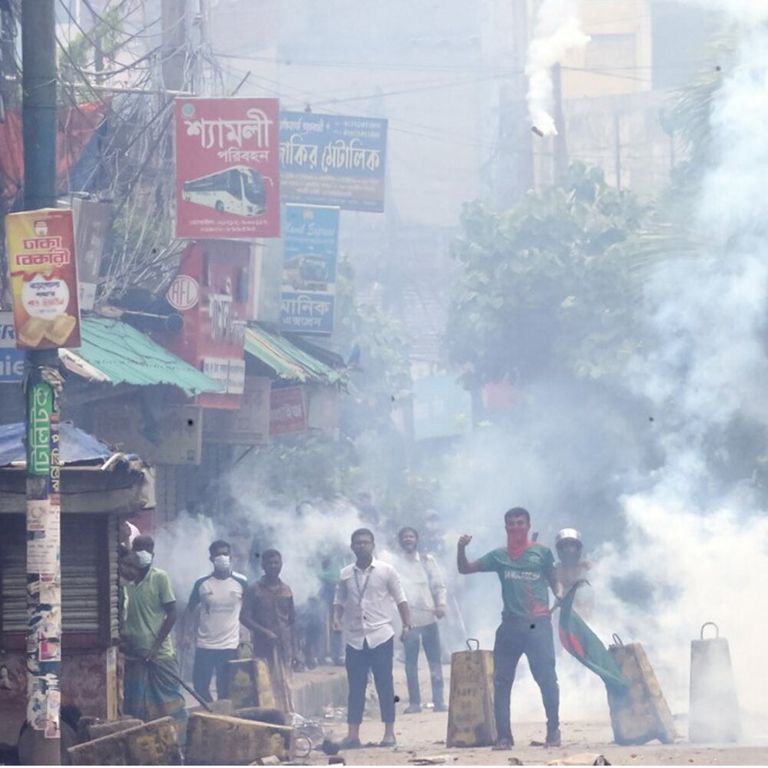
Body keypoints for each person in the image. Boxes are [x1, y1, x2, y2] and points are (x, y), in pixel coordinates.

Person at [457, 507, 563, 750]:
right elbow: (464, 569)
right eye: (511, 523)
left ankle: (553, 731)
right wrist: (460, 548)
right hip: (510, 626)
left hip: (538, 625)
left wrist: (558, 593)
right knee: (502, 682)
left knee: (547, 680)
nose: (516, 527)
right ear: (506, 528)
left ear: (527, 525)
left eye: (520, 523)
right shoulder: (499, 556)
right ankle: (504, 737)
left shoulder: (542, 553)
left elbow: (553, 577)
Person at [333, 528, 412, 749]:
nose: (362, 546)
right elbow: (338, 600)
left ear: (373, 545)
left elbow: (401, 599)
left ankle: (389, 733)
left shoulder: (387, 571)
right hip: (355, 637)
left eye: (366, 542)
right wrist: (336, 619)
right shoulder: (345, 574)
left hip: (380, 635)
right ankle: (353, 735)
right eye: (357, 543)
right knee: (355, 686)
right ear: (352, 546)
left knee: (384, 684)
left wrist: (407, 624)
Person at [121, 535, 186, 724]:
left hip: (160, 654)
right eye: (138, 547)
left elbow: (172, 613)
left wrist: (155, 648)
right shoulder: (126, 582)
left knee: (170, 703)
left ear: (153, 553)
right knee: (137, 706)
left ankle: (180, 740)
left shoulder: (159, 577)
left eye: (147, 548)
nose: (142, 551)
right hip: (134, 655)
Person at [185, 540, 248, 702]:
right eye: (218, 554)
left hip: (230, 645)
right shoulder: (202, 583)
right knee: (200, 687)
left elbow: (248, 610)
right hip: (205, 644)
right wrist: (187, 634)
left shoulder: (241, 582)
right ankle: (211, 711)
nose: (222, 557)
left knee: (225, 689)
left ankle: (222, 720)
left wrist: (247, 636)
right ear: (211, 558)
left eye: (225, 554)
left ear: (231, 557)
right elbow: (190, 610)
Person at [394, 526, 448, 713]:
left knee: (435, 661)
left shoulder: (427, 561)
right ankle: (415, 703)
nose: (408, 539)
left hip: (429, 618)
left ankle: (439, 701)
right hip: (408, 621)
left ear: (416, 540)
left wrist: (441, 605)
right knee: (410, 664)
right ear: (400, 541)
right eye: (405, 537)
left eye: (411, 536)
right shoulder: (394, 564)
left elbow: (440, 585)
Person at [240, 549, 297, 668]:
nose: (273, 566)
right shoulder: (253, 589)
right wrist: (265, 632)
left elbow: (291, 622)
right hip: (262, 646)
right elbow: (244, 617)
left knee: (285, 684)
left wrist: (295, 651)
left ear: (281, 565)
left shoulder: (286, 590)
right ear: (263, 565)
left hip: (284, 647)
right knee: (264, 683)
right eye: (270, 563)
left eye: (276, 563)